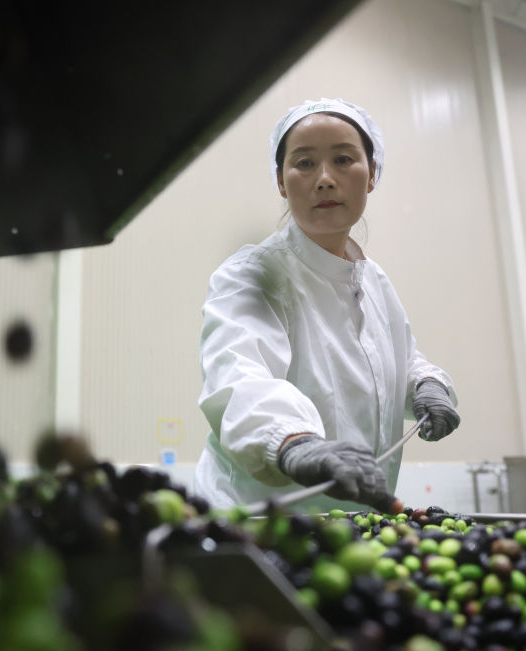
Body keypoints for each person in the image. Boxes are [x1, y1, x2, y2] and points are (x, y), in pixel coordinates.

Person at [193, 98, 459, 513]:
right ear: (281, 182)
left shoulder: (375, 282)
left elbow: (393, 361)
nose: (324, 179)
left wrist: (425, 384)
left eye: (343, 159)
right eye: (304, 163)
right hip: (259, 522)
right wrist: (293, 442)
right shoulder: (251, 274)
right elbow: (239, 378)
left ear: (372, 174)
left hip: (353, 523)